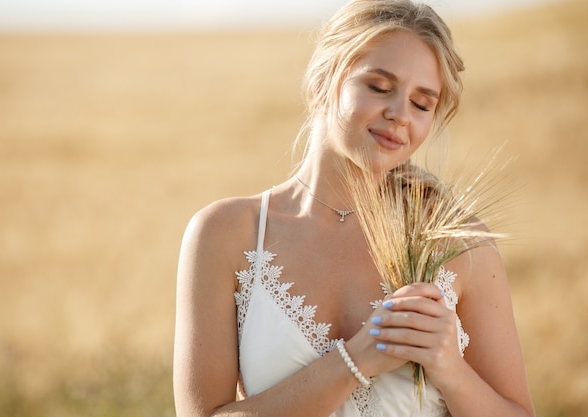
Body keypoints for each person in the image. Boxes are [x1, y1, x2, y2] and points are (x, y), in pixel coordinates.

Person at [173, 0, 535, 416]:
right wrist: (357, 360)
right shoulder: (226, 234)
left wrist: (452, 371)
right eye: (379, 87)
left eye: (422, 104)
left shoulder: (458, 243)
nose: (400, 114)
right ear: (321, 86)